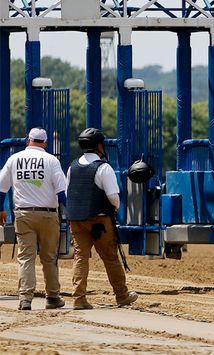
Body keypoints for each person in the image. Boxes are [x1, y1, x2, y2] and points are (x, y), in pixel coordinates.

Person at [65, 128, 136, 309]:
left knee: (80, 257)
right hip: (100, 221)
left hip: (76, 220)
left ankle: (79, 298)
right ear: (98, 145)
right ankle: (121, 295)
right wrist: (114, 209)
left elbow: (67, 193)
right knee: (110, 257)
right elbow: (114, 197)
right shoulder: (103, 168)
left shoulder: (72, 167)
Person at [0, 127, 68, 310]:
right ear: (45, 143)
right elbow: (62, 192)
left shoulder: (14, 159)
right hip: (47, 214)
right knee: (49, 257)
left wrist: (0, 209)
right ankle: (53, 297)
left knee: (26, 257)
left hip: (23, 214)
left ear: (27, 140)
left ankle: (25, 298)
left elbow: (1, 187)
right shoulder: (51, 160)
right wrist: (69, 213)